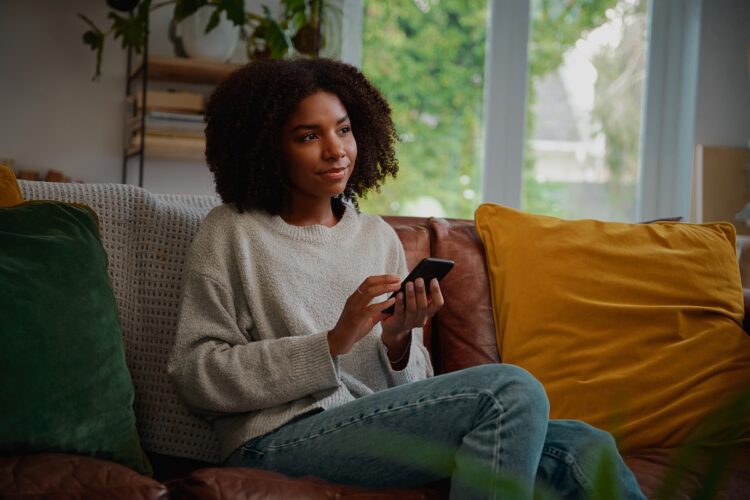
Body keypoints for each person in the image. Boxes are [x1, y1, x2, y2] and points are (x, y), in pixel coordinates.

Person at [167, 58, 645, 499]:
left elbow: (409, 393)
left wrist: (397, 342)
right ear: (268, 147)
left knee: (587, 445)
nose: (336, 150)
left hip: (368, 429)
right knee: (510, 390)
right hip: (274, 440)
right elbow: (197, 375)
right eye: (309, 136)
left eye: (344, 130)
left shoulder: (377, 237)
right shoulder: (232, 232)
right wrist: (331, 342)